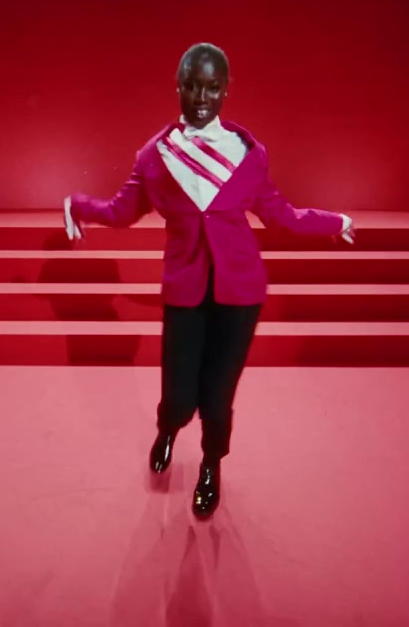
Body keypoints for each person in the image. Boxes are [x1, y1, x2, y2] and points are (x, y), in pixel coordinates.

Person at [64, 43, 356, 519]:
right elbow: (121, 211)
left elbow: (281, 214)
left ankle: (210, 465)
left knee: (219, 396)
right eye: (193, 86)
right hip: (185, 290)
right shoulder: (155, 156)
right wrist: (78, 205)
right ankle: (168, 428)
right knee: (179, 394)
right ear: (178, 87)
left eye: (213, 87)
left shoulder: (249, 154)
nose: (202, 97)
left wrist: (334, 222)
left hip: (240, 295)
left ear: (226, 91)